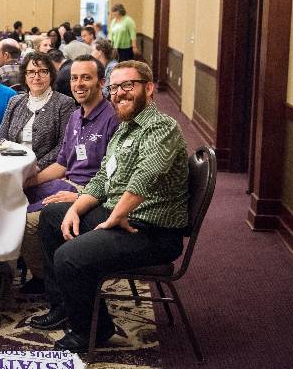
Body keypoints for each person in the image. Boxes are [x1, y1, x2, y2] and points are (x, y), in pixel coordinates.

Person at [29, 60, 188, 353]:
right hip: (122, 215)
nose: (119, 93)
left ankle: (93, 330)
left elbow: (146, 175)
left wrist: (115, 216)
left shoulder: (162, 128)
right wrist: (76, 208)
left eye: (128, 85)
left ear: (149, 88)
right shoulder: (125, 128)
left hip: (150, 230)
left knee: (69, 256)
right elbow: (103, 178)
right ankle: (66, 305)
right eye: (114, 88)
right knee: (52, 216)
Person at [18, 56, 119, 292]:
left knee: (24, 223)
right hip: (65, 182)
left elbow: (114, 178)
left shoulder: (112, 119)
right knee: (10, 201)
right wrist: (26, 182)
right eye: (74, 78)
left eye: (86, 78)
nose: (79, 84)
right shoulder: (76, 116)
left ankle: (51, 281)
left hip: (89, 192)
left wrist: (80, 197)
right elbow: (62, 164)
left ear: (101, 82)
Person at [0, 52, 77, 170]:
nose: (36, 77)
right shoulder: (14, 101)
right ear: (24, 76)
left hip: (44, 171)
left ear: (51, 75)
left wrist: (37, 167)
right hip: (11, 166)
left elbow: (63, 146)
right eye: (31, 72)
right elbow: (2, 138)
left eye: (43, 71)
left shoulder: (64, 103)